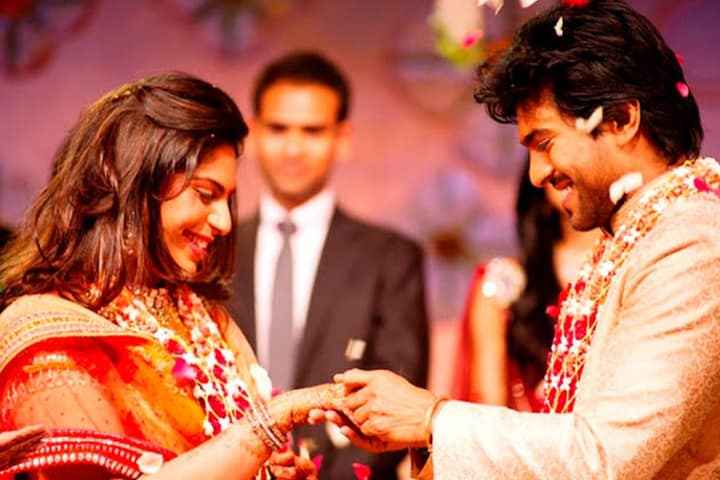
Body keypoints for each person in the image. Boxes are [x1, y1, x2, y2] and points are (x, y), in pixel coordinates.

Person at [315, 1, 720, 478]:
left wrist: (433, 419)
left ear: (620, 120)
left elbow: (603, 457)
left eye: (545, 143)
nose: (536, 175)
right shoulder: (637, 238)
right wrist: (426, 428)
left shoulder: (691, 243)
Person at [0, 72, 344, 480]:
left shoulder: (203, 318)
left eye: (227, 200)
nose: (223, 222)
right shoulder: (48, 336)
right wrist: (266, 426)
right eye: (205, 194)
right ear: (133, 185)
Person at [227, 51, 430, 479]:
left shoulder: (390, 258)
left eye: (312, 131)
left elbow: (398, 393)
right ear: (254, 133)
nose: (293, 148)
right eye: (279, 129)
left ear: (342, 137)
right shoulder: (215, 250)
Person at [453, 161, 598, 411]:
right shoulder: (504, 282)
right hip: (524, 433)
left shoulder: (641, 268)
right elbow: (489, 406)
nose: (559, 168)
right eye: (547, 149)